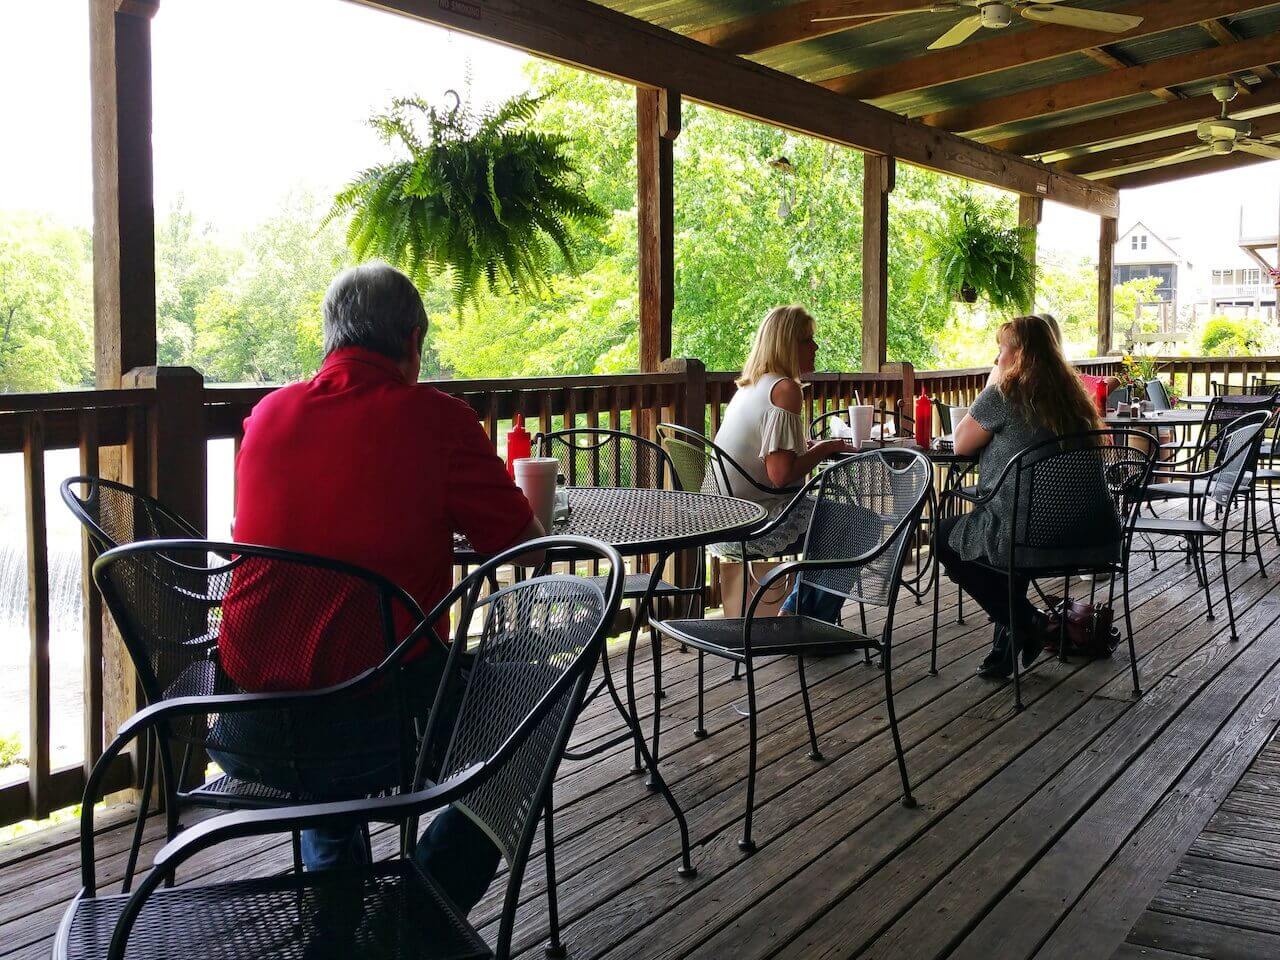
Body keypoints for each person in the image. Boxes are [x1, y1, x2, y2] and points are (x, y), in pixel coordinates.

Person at [213, 262, 544, 917]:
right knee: (535, 702)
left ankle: (336, 908)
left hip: (248, 721)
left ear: (331, 337)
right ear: (412, 339)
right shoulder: (438, 421)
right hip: (379, 726)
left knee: (334, 660)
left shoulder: (268, 416)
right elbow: (521, 546)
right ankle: (417, 910)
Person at [936, 314, 1104, 679]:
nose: (997, 357)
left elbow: (962, 443)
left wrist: (992, 383)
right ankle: (1007, 647)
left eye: (1002, 349)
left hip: (1027, 533)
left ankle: (1032, 623)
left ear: (1020, 355)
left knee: (943, 535)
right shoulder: (1075, 399)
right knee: (1015, 533)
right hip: (1091, 533)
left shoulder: (1004, 394)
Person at [704, 305, 852, 621]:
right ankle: (807, 622)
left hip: (721, 516)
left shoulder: (749, 387)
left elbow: (770, 458)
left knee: (838, 520)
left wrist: (806, 449)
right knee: (853, 524)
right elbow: (780, 475)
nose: (815, 347)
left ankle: (797, 614)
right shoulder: (784, 389)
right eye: (807, 340)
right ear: (787, 344)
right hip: (756, 521)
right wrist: (825, 449)